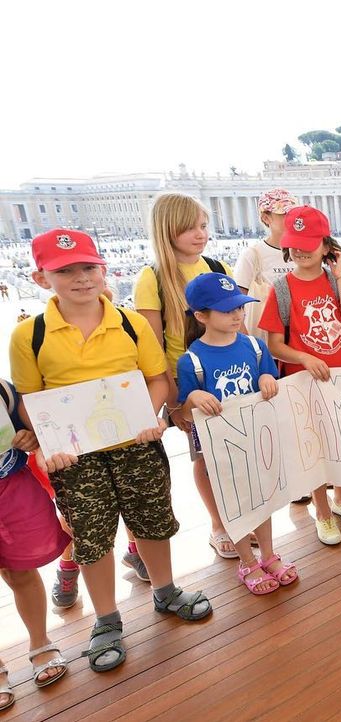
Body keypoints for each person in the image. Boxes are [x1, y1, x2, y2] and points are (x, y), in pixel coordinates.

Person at [11, 229, 212, 674]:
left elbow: (156, 377)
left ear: (103, 270)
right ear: (42, 278)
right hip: (76, 458)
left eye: (89, 267)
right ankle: (106, 618)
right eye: (66, 271)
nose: (81, 278)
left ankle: (165, 589)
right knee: (92, 536)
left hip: (135, 445)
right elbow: (28, 399)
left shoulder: (128, 322)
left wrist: (152, 413)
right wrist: (48, 442)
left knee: (153, 520)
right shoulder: (30, 334)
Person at [176, 273, 297, 595]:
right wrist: (193, 398)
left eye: (240, 309)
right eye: (227, 310)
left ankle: (268, 554)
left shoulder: (255, 346)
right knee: (234, 502)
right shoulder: (191, 361)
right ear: (201, 316)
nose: (237, 316)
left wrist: (268, 381)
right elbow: (185, 414)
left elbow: (267, 376)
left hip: (254, 438)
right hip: (220, 448)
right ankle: (247, 560)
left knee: (262, 499)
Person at [134, 193, 240, 560]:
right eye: (191, 227)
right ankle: (218, 524)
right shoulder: (152, 279)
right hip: (188, 383)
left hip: (228, 374)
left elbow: (234, 324)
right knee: (205, 458)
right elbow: (153, 348)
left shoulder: (216, 265)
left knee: (235, 454)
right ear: (168, 230)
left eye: (204, 225)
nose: (201, 234)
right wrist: (175, 400)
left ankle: (240, 518)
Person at [258, 205, 341, 545]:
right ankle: (322, 510)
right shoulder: (282, 288)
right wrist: (304, 357)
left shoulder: (337, 282)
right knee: (315, 446)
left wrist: (339, 276)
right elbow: (274, 344)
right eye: (294, 242)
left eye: (309, 242)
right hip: (304, 383)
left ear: (326, 246)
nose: (301, 250)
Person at [0, 378, 70, 711]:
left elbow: (35, 434)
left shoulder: (4, 390)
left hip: (11, 488)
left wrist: (28, 438)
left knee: (20, 572)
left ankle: (40, 642)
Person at [233, 188, 298, 343]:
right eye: (284, 215)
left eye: (293, 214)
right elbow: (236, 302)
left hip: (300, 338)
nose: (291, 220)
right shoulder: (253, 254)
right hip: (267, 339)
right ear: (266, 218)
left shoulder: (303, 252)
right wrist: (248, 343)